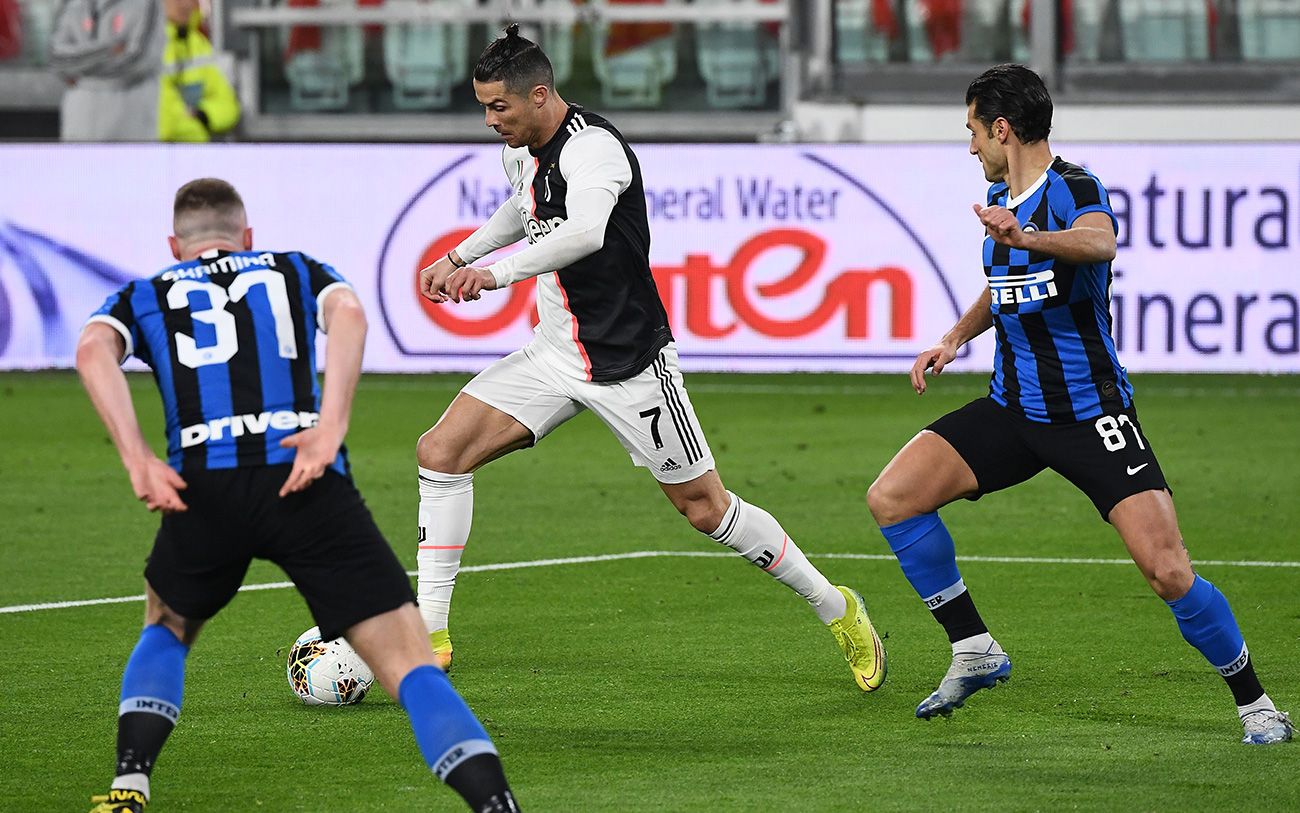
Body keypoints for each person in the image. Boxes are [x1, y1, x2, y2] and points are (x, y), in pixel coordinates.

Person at [415, 24, 886, 693]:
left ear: (540, 95)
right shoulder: (521, 150)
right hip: (555, 353)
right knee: (440, 451)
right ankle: (430, 635)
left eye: (499, 107)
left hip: (628, 363)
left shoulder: (594, 151)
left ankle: (835, 606)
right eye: (485, 106)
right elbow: (523, 211)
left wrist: (495, 277)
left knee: (706, 510)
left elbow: (585, 231)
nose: (490, 120)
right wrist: (461, 254)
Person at [865, 63, 1292, 745]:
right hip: (1012, 410)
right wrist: (953, 336)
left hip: (1092, 416)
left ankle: (1256, 703)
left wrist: (1026, 236)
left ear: (1001, 129)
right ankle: (974, 647)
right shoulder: (1003, 206)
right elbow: (1002, 282)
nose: (970, 145)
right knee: (892, 496)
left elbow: (1101, 243)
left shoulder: (1072, 190)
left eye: (973, 131)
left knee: (1167, 568)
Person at [78, 178, 522, 813]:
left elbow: (93, 348)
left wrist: (137, 458)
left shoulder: (147, 292)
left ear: (176, 244)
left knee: (168, 627)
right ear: (248, 236)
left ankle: (129, 786)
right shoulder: (291, 268)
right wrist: (332, 425)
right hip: (305, 479)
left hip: (206, 484)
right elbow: (348, 313)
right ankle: (496, 807)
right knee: (409, 664)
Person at [50, 0, 165, 141]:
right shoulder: (72, 5)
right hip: (79, 126)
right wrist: (108, 51)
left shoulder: (147, 4)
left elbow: (138, 61)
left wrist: (79, 68)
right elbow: (57, 59)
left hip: (130, 127)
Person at [158, 0, 239, 142]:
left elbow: (229, 106)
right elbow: (161, 121)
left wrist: (203, 114)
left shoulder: (201, 46)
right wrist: (198, 131)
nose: (186, 4)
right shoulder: (144, 50)